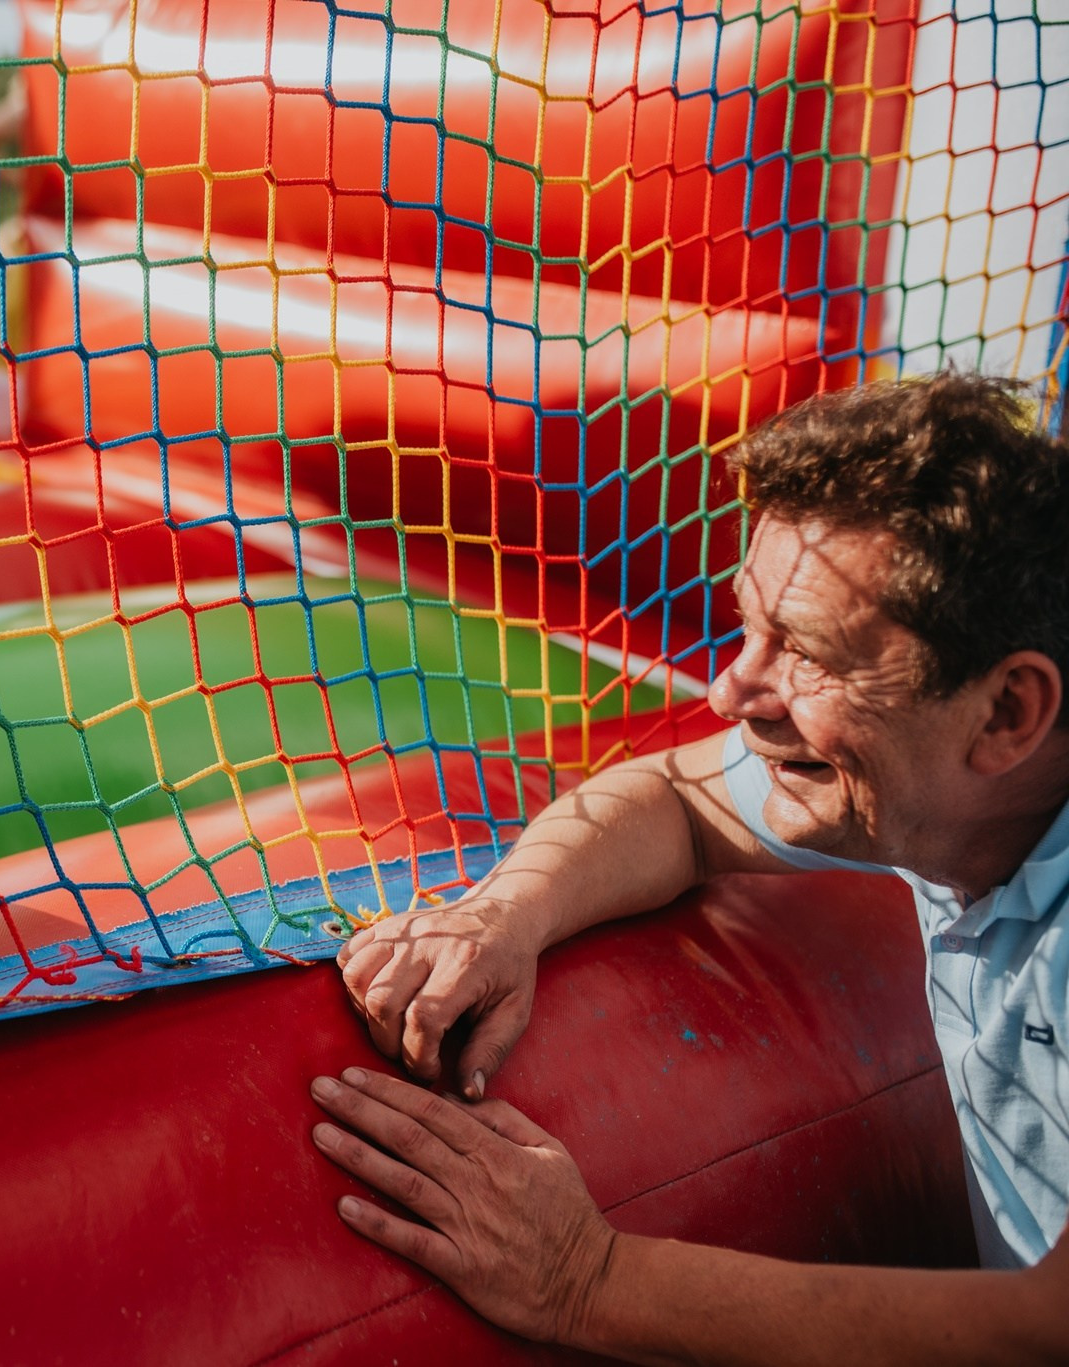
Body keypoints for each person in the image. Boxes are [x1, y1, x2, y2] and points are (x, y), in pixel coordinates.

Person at [314, 371, 1069, 1360]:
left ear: (1005, 712)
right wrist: (500, 914)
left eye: (807, 652)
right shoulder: (942, 794)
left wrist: (587, 1279)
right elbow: (673, 797)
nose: (727, 690)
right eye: (746, 625)